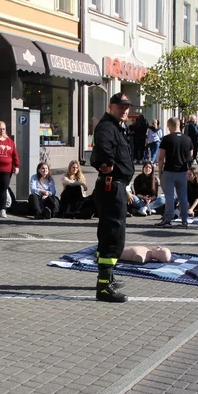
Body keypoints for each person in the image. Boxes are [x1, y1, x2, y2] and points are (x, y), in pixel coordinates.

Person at [90, 93, 134, 303]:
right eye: (120, 106)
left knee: (111, 234)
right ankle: (104, 287)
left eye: (127, 107)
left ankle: (108, 277)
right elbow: (103, 155)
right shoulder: (107, 127)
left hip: (116, 186)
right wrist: (112, 170)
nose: (124, 110)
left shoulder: (116, 126)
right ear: (111, 106)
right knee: (112, 235)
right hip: (111, 186)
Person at [156, 117, 193, 228]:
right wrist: (187, 168)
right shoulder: (187, 139)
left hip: (169, 170)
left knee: (169, 196)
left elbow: (161, 158)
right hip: (182, 171)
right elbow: (190, 156)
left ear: (171, 126)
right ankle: (184, 220)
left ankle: (168, 220)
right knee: (183, 196)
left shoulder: (167, 139)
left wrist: (160, 172)